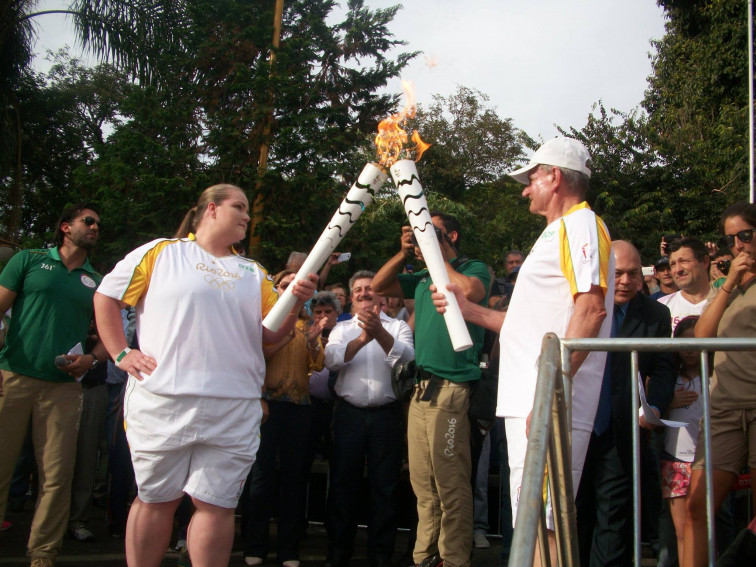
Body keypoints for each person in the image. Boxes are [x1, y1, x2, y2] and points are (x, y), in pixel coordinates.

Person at [93, 184, 317, 567]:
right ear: (211, 209)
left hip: (233, 405)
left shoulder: (253, 272)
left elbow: (270, 335)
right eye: (239, 207)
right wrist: (121, 352)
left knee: (217, 504)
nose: (247, 215)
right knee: (156, 499)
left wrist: (295, 300)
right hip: (163, 400)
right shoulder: (161, 252)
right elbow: (106, 297)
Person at [431, 137, 614, 565]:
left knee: (546, 523)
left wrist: (550, 390)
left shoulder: (581, 226)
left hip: (549, 399)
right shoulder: (557, 233)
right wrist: (469, 310)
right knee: (534, 517)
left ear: (554, 176)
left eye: (531, 178)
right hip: (531, 399)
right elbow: (527, 325)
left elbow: (591, 310)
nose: (525, 189)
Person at [373, 212, 490, 567]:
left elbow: (470, 292)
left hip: (454, 390)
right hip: (421, 391)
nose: (423, 237)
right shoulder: (422, 277)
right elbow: (379, 285)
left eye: (431, 231)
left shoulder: (475, 267)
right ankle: (424, 556)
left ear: (451, 236)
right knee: (423, 485)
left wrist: (437, 253)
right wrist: (404, 253)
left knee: (451, 483)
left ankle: (454, 560)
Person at [0, 202, 107, 567]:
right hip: (13, 377)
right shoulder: (29, 260)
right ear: (65, 227)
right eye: (87, 221)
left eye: (97, 224)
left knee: (57, 475)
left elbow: (111, 336)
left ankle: (43, 553)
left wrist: (91, 359)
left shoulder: (96, 280)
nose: (94, 227)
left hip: (63, 387)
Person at [574, 240, 676, 567]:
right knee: (576, 513)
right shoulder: (579, 306)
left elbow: (663, 367)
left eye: (633, 274)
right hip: (577, 426)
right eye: (617, 274)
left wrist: (656, 406)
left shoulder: (656, 313)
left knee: (613, 518)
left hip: (621, 432)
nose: (625, 282)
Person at [323, 270, 414, 567]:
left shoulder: (399, 326)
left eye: (370, 289)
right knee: (342, 486)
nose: (364, 293)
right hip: (349, 416)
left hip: (386, 418)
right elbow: (332, 359)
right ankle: (338, 553)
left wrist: (380, 333)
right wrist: (363, 338)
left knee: (384, 489)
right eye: (359, 290)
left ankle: (380, 556)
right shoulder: (342, 328)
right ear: (352, 298)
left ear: (381, 296)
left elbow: (408, 361)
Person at [683, 202, 756, 567]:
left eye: (745, 235)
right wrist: (728, 283)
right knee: (698, 505)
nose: (739, 245)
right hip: (724, 406)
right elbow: (701, 336)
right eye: (731, 239)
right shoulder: (723, 285)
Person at [243, 269, 327, 567]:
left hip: (300, 407)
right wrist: (285, 337)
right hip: (267, 406)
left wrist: (314, 341)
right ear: (275, 289)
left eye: (296, 284)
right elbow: (255, 357)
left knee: (295, 478)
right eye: (285, 284)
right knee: (261, 477)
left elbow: (317, 366)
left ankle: (289, 550)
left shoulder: (308, 323)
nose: (292, 288)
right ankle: (254, 545)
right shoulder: (265, 322)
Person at [661, 316, 702, 564]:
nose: (689, 349)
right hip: (675, 459)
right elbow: (652, 415)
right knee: (681, 531)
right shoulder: (669, 379)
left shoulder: (715, 376)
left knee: (704, 527)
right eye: (684, 342)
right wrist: (670, 402)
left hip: (707, 461)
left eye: (696, 342)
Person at [658, 237, 711, 332]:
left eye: (684, 261)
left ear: (705, 262)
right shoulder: (660, 307)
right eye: (673, 264)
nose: (678, 270)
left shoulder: (727, 301)